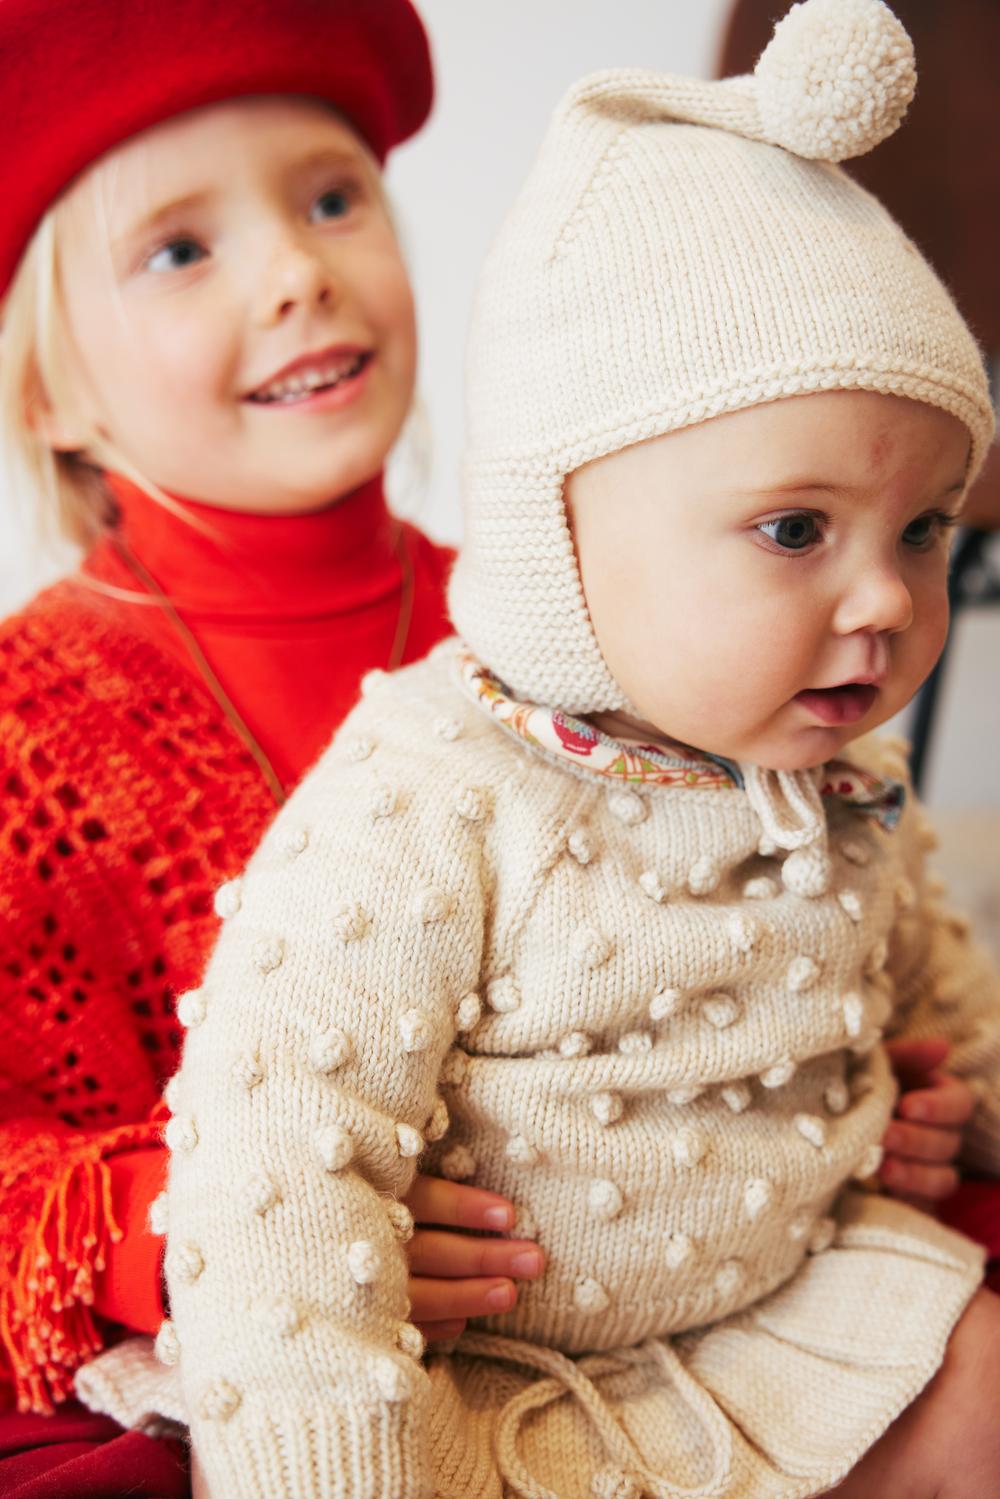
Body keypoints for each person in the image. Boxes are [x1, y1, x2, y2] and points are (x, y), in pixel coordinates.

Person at [144, 1, 1000, 1495]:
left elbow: (934, 980)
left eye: (922, 530)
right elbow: (277, 1142)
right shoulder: (437, 788)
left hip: (785, 1306)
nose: (883, 601)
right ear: (564, 537)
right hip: (491, 1375)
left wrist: (959, 1097)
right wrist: (326, 1447)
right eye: (796, 530)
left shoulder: (843, 776)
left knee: (986, 1373)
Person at [0, 2, 543, 1492]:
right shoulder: (22, 732)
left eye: (331, 197)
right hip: (203, 1367)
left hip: (583, 1312)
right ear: (51, 392)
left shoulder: (556, 633)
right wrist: (195, 1220)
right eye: (183, 248)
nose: (302, 272)